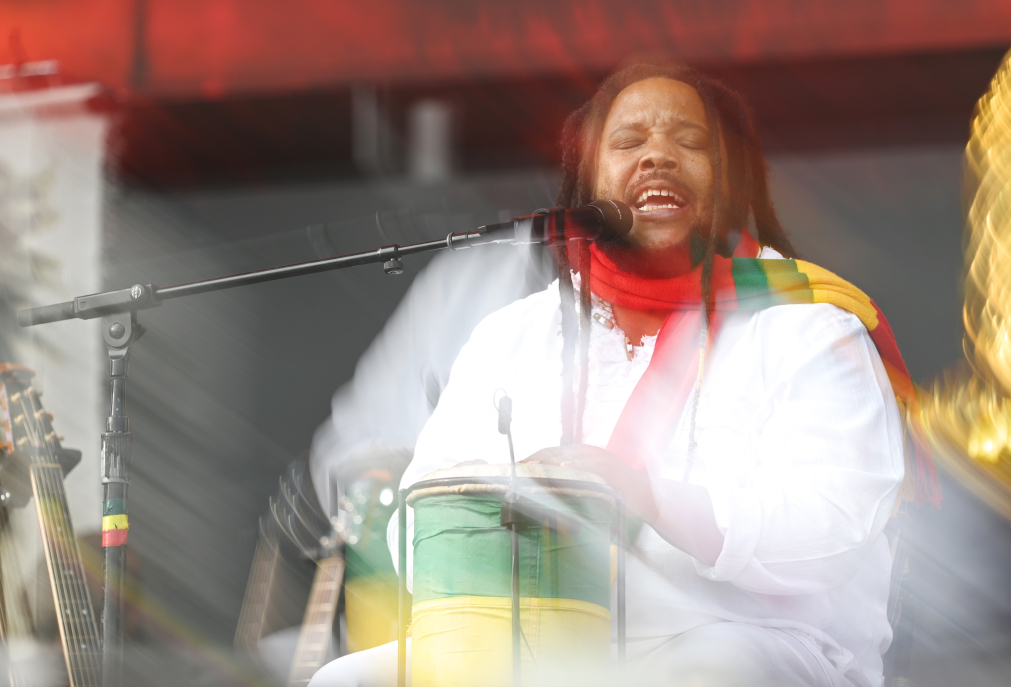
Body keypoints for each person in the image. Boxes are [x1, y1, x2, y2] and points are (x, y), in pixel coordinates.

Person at [312, 62, 940, 687]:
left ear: (730, 183)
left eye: (690, 143)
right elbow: (418, 527)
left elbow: (832, 525)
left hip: (745, 643)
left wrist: (649, 499)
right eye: (629, 142)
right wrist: (494, 503)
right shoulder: (511, 334)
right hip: (533, 638)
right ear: (586, 183)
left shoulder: (808, 330)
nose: (659, 157)